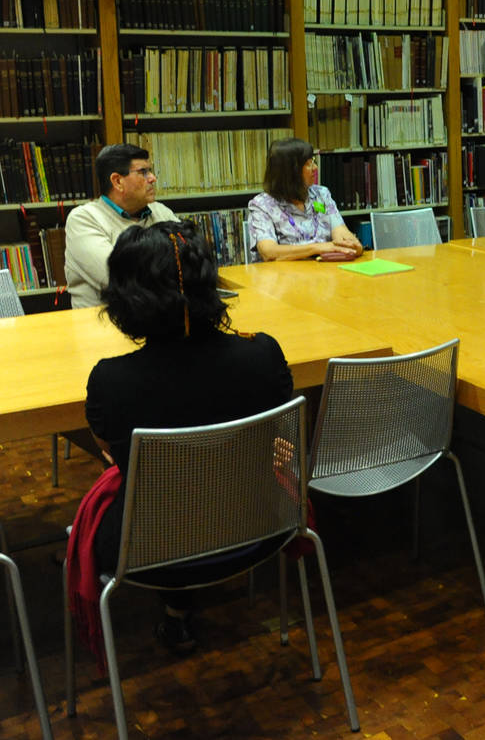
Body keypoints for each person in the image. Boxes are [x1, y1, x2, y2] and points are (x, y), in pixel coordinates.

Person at [71, 220, 294, 653]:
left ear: (125, 298)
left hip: (150, 553)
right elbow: (278, 427)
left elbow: (110, 453)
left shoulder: (111, 381)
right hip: (261, 529)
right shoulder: (263, 353)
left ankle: (177, 611)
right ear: (211, 283)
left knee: (156, 487)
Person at [65, 144, 178, 308]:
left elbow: (194, 261)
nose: (153, 178)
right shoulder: (84, 219)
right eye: (143, 172)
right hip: (103, 321)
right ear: (117, 181)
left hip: (161, 315)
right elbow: (122, 280)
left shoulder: (160, 211)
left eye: (150, 171)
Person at [247, 138, 364, 261]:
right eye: (309, 164)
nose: (315, 168)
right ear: (291, 172)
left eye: (313, 161)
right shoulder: (262, 205)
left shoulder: (321, 194)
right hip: (286, 272)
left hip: (324, 270)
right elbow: (269, 252)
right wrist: (318, 248)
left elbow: (340, 231)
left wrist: (351, 244)